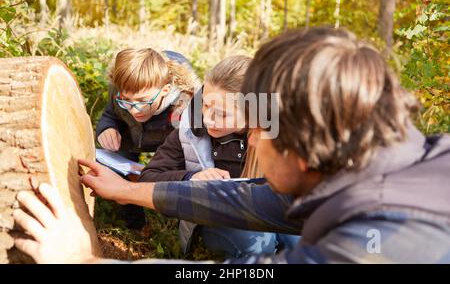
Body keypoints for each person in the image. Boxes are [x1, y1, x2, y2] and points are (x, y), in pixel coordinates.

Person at [13, 27, 450, 264]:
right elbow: (248, 197)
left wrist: (82, 260)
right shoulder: (387, 166)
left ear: (302, 148)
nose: (253, 138)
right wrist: (125, 190)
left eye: (263, 128)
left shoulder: (380, 242)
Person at [139, 55, 299, 258]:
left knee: (306, 238)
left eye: (222, 114)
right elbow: (148, 177)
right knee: (259, 243)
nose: (208, 119)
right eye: (205, 105)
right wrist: (192, 178)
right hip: (215, 218)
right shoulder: (190, 129)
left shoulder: (279, 131)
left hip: (272, 211)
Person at [95, 48, 201, 230]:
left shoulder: (185, 107)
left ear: (165, 91)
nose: (134, 109)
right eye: (126, 100)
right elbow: (110, 114)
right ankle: (135, 226)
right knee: (122, 176)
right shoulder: (120, 89)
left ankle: (176, 226)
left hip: (169, 144)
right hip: (129, 139)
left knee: (173, 178)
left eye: (143, 101)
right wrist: (107, 128)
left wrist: (158, 170)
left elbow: (188, 152)